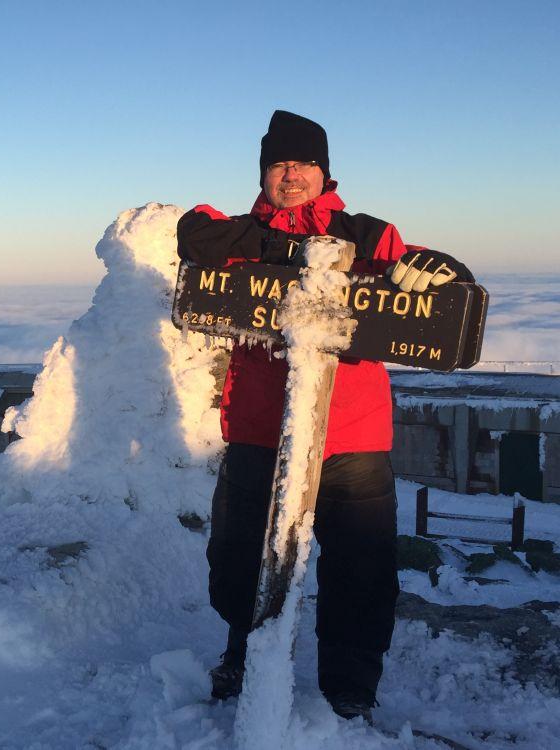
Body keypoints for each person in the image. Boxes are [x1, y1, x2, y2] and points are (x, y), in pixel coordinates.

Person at [176, 110, 474, 720]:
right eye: (279, 163)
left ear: (324, 172)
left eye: (304, 163)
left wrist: (448, 271)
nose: (291, 174)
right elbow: (192, 235)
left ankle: (350, 690)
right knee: (239, 557)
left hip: (353, 438)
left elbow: (438, 283)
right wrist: (285, 245)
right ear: (264, 173)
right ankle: (245, 655)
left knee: (361, 570)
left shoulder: (368, 234)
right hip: (260, 431)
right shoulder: (234, 236)